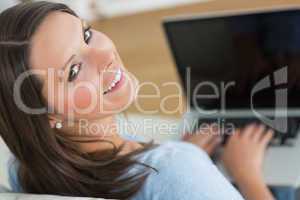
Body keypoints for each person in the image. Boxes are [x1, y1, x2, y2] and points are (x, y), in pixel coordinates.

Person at [0, 2, 274, 200]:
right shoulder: (177, 171)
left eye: (86, 34)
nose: (105, 53)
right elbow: (170, 180)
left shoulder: (23, 170)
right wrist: (247, 174)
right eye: (73, 71)